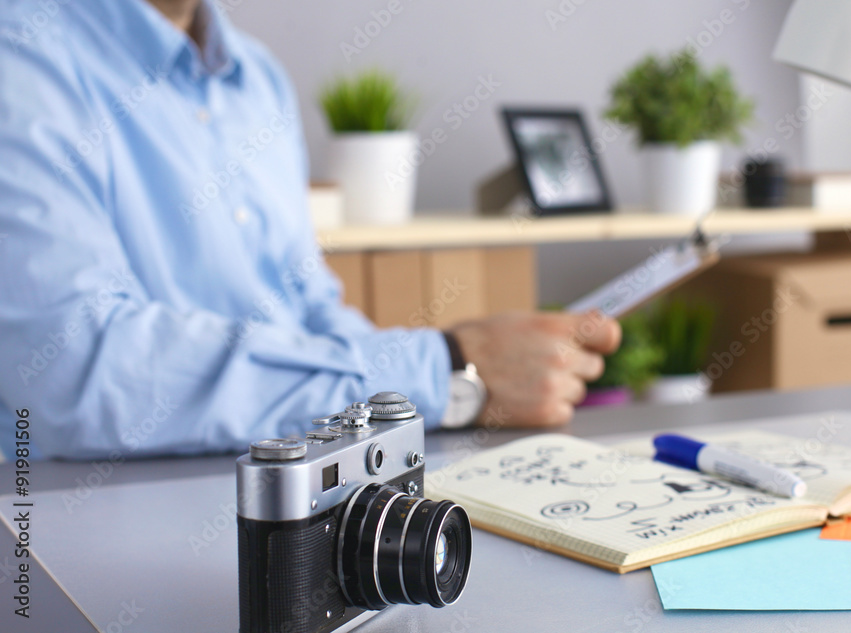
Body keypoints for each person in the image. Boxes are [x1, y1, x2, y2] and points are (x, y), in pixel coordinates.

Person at [0, 0, 620, 459]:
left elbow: (308, 304)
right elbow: (68, 376)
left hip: (294, 484)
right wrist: (446, 371)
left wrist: (414, 395)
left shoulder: (259, 78)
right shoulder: (21, 55)